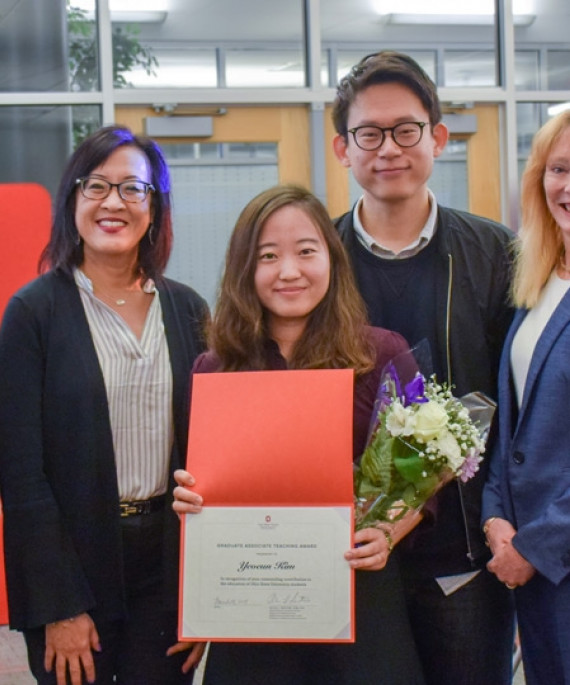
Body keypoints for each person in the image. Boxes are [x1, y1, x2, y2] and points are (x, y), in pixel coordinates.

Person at [172, 184, 425, 684]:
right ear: (246, 271)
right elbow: (195, 480)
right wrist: (190, 497)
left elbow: (421, 469)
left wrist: (389, 531)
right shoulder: (213, 368)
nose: (289, 271)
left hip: (356, 599)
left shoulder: (383, 354)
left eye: (306, 252)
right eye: (268, 256)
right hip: (249, 611)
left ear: (332, 261)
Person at [331, 50, 516, 685]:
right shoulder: (315, 261)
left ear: (437, 138)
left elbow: (515, 405)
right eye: (369, 133)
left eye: (406, 129)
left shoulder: (495, 255)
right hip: (346, 560)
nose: (388, 149)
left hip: (462, 563)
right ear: (342, 149)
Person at [0, 125, 209, 685]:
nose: (113, 202)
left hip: (165, 561)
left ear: (154, 207)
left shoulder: (189, 310)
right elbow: (20, 476)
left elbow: (211, 455)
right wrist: (58, 607)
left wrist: (203, 595)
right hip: (74, 561)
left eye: (132, 189)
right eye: (96, 186)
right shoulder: (32, 314)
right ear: (72, 199)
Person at [482, 110, 570, 685]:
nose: (568, 186)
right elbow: (515, 420)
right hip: (534, 570)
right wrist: (494, 513)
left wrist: (536, 545)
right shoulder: (538, 280)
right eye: (559, 168)